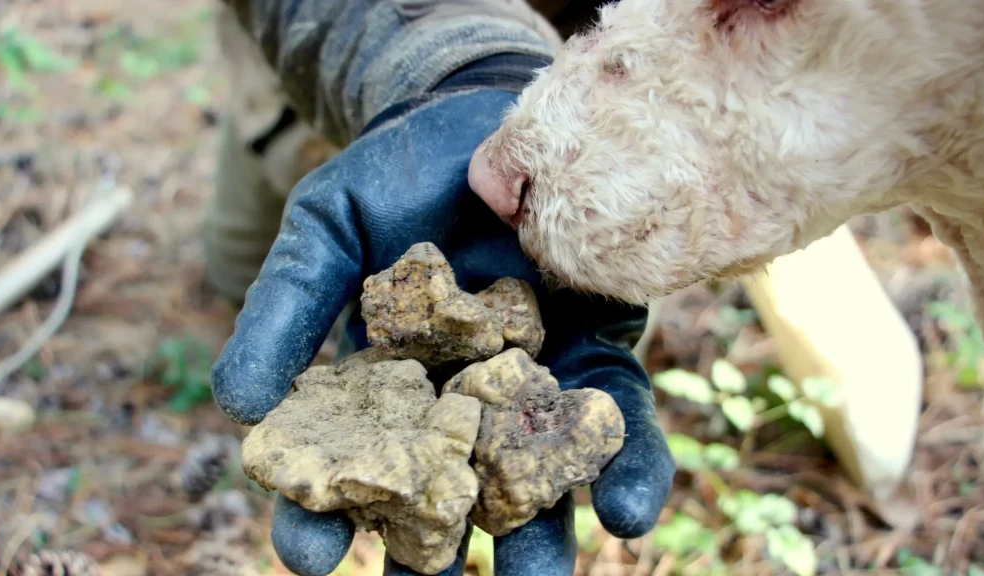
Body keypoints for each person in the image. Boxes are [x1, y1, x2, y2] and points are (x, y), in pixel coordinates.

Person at [203, 1, 675, 575]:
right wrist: (456, 67)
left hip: (597, 146)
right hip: (313, 64)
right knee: (242, 275)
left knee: (589, 342)